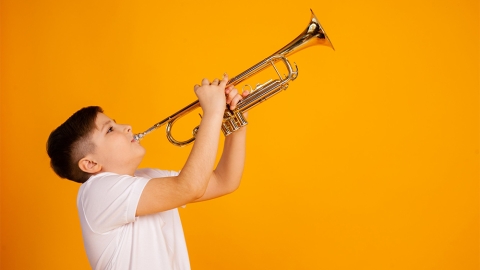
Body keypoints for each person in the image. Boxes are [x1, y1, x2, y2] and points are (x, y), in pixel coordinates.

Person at [46, 74, 249, 269]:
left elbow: (224, 181)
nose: (126, 127)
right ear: (90, 164)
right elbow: (189, 187)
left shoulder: (148, 179)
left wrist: (235, 124)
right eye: (109, 129)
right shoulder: (95, 192)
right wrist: (212, 113)